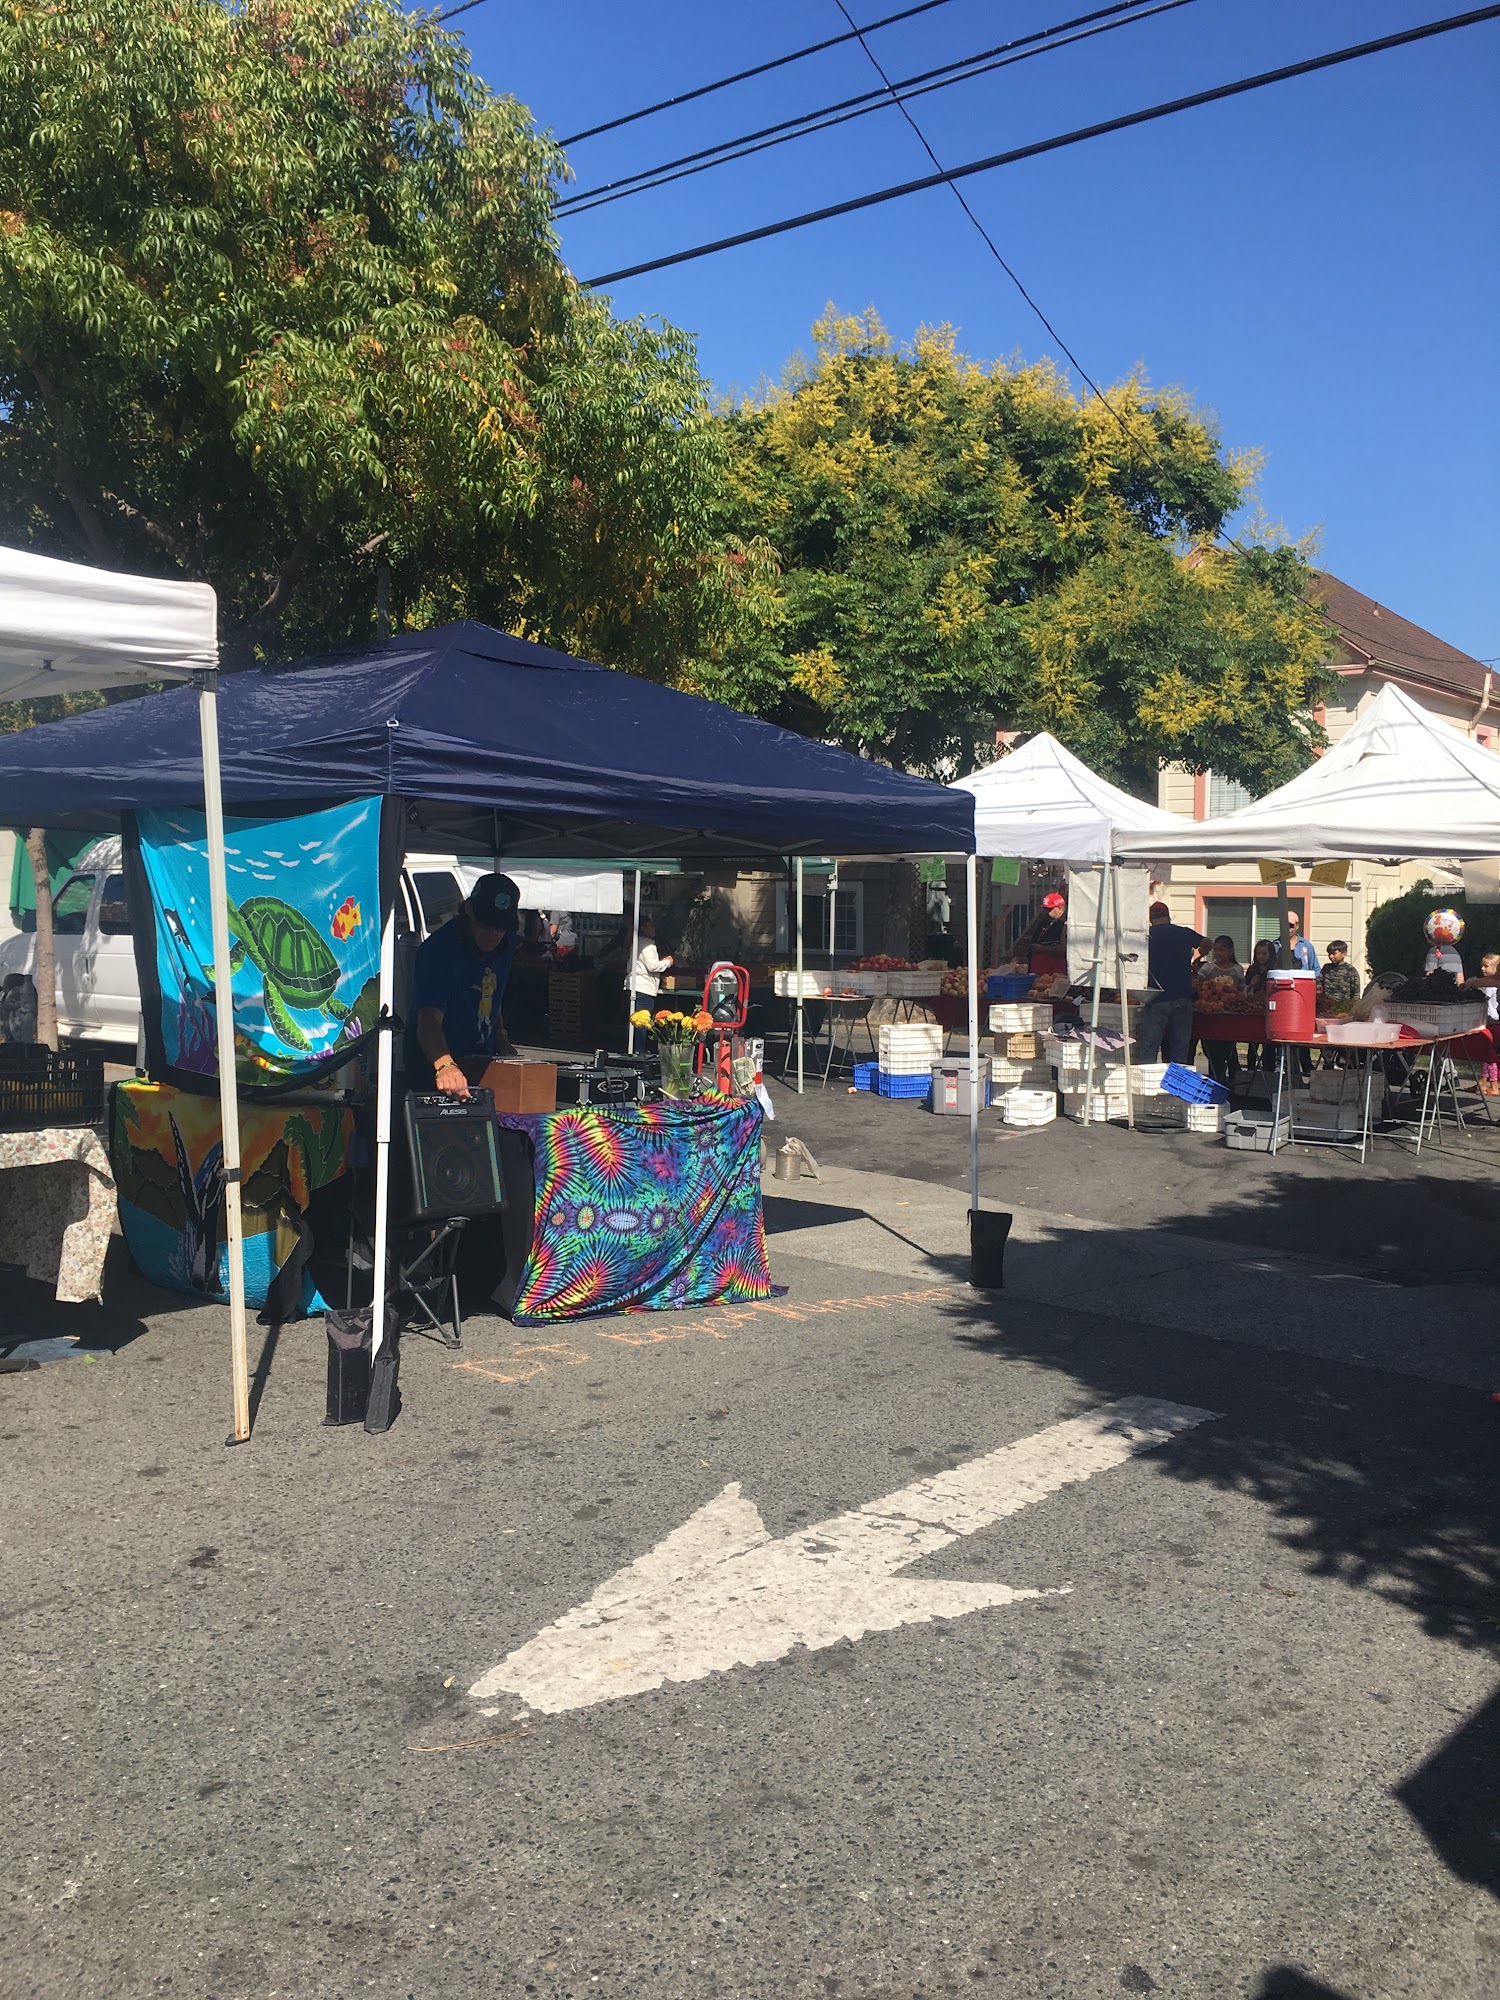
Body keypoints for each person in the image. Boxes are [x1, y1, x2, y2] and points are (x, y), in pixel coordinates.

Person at [405, 872, 520, 1097]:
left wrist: (500, 1037)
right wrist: (445, 1065)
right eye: (487, 925)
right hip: (435, 1061)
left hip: (480, 1059)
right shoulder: (439, 950)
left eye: (501, 927)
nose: (494, 934)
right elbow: (428, 1018)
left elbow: (491, 997)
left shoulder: (507, 942)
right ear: (468, 910)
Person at [1135, 902, 1208, 1065]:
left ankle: (1146, 1086)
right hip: (1183, 996)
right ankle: (1177, 1087)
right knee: (1180, 1048)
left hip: (1156, 997)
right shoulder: (1183, 933)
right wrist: (1198, 957)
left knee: (1150, 1046)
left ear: (1151, 918)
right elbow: (1207, 943)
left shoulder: (1146, 936)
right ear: (1168, 916)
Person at [1194, 934, 1244, 1085]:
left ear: (1230, 951)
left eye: (1221, 950)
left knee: (1228, 1048)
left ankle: (1233, 1078)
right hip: (1210, 1016)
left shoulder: (1237, 970)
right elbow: (1199, 987)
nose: (1217, 953)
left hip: (1229, 1016)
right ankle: (1215, 1079)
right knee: (1212, 1050)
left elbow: (1242, 990)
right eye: (1215, 950)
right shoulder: (1208, 968)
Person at [626, 914, 674, 1019]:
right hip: (644, 987)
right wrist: (667, 962)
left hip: (634, 984)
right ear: (643, 928)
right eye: (651, 926)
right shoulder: (648, 946)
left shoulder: (637, 942)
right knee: (642, 1021)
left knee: (634, 1019)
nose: (654, 929)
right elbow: (653, 966)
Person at [1242, 937, 1278, 1075]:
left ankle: (1268, 1070)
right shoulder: (1253, 969)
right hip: (1254, 1009)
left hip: (1268, 1009)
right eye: (1258, 954)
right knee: (1252, 1043)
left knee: (1269, 1045)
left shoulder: (1274, 970)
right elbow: (1246, 988)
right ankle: (1251, 1069)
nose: (1261, 957)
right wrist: (1251, 984)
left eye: (1264, 954)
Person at [1473, 951, 1500, 1095]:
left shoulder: (1490, 985)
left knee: (1490, 1053)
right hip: (1490, 1019)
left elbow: (1483, 997)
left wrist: (1472, 985)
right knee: (1486, 1052)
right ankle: (1482, 1081)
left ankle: (1494, 1085)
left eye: (1486, 966)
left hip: (1491, 1019)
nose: (1482, 969)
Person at [1317, 939, 1361, 1013]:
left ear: (1344, 953)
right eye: (1329, 954)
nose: (1331, 956)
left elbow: (1356, 992)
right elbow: (1318, 983)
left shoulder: (1350, 970)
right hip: (1327, 1007)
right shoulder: (1326, 968)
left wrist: (1354, 1007)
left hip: (1344, 1008)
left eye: (1334, 954)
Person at [1285, 909, 1318, 973]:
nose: (1288, 929)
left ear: (1297, 926)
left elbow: (1315, 969)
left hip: (1302, 981)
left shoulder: (1306, 945)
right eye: (1285, 925)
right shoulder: (1275, 945)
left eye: (1290, 926)